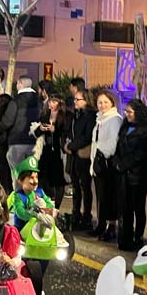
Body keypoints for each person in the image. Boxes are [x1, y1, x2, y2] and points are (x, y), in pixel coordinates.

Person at [114, 99, 147, 251]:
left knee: (138, 207)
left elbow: (141, 153)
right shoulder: (126, 127)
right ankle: (125, 237)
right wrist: (117, 162)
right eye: (125, 111)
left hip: (139, 175)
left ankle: (138, 237)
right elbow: (119, 146)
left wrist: (124, 164)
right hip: (123, 174)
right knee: (125, 207)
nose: (127, 115)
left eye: (130, 112)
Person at [90, 90, 123, 241]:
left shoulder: (114, 119)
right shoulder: (100, 119)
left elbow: (113, 143)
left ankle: (111, 226)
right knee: (101, 196)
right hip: (98, 164)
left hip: (107, 164)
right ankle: (101, 224)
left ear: (112, 103)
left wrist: (101, 152)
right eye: (100, 102)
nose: (102, 105)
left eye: (105, 102)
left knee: (109, 196)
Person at [0, 76, 41, 185]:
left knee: (18, 176)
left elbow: (7, 121)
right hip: (35, 143)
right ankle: (31, 194)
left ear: (20, 84)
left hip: (17, 142)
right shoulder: (39, 102)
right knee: (32, 175)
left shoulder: (15, 102)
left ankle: (19, 195)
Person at [65, 89, 96, 231]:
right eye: (75, 99)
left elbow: (87, 136)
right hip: (73, 155)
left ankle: (86, 215)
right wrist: (67, 145)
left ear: (86, 100)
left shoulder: (90, 116)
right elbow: (68, 131)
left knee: (85, 187)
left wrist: (72, 146)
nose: (75, 102)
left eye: (78, 99)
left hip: (83, 156)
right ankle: (76, 213)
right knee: (76, 186)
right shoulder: (75, 115)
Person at [35, 91, 69, 209]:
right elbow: (36, 132)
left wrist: (55, 129)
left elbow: (66, 132)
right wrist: (41, 129)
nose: (51, 104)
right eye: (50, 101)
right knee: (42, 178)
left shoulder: (64, 116)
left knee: (58, 180)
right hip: (45, 150)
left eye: (54, 101)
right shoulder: (45, 114)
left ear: (60, 103)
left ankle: (56, 207)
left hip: (58, 151)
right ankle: (47, 203)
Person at [7, 156, 55, 232]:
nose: (35, 181)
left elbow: (49, 204)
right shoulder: (18, 196)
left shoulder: (40, 192)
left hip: (38, 227)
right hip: (23, 230)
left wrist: (44, 208)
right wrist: (34, 213)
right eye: (31, 178)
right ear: (21, 181)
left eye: (36, 177)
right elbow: (21, 213)